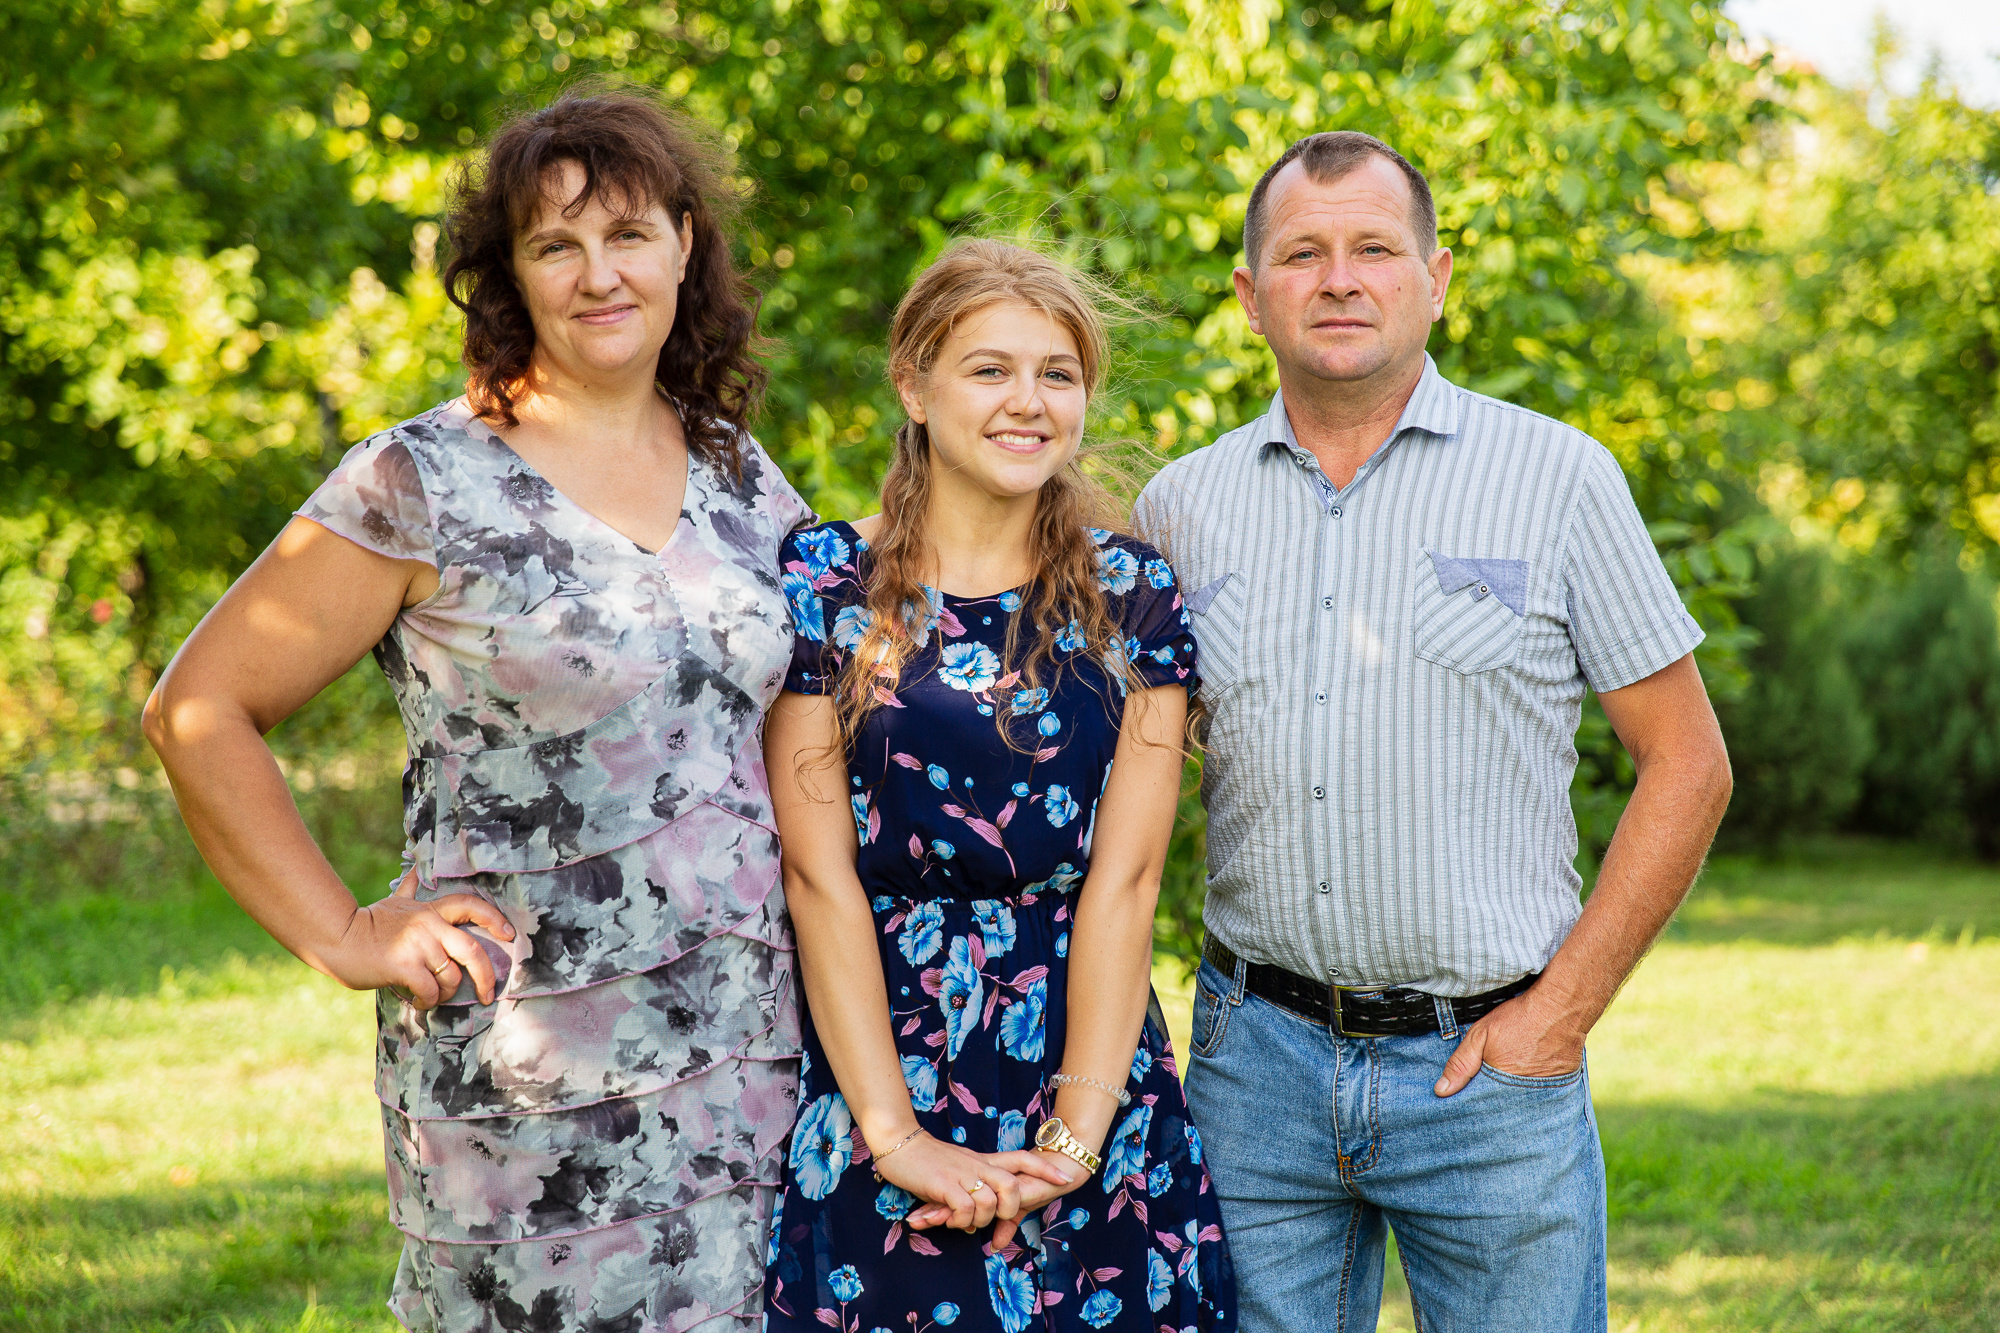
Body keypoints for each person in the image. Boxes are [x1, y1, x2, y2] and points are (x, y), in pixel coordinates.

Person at [142, 90, 811, 1332]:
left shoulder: (739, 473)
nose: (597, 273)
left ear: (683, 246)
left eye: (626, 235)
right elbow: (200, 709)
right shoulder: (419, 479)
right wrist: (348, 932)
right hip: (525, 1089)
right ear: (507, 276)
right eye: (555, 244)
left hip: (746, 1066)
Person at [1134, 132, 1734, 1332]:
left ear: (1437, 276)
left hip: (1488, 1069)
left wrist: (1557, 1014)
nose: (1339, 279)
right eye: (1301, 254)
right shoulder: (1178, 509)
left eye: (1373, 248)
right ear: (1250, 297)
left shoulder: (1557, 480)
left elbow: (1689, 763)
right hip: (1254, 1069)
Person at [759, 240, 1235, 1333]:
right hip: (882, 1052)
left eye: (1055, 374)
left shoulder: (1132, 591)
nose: (1028, 402)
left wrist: (1077, 1134)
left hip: (1087, 1051)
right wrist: (895, 1135)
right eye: (988, 369)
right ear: (913, 384)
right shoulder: (822, 581)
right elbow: (816, 874)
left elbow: (1127, 880)